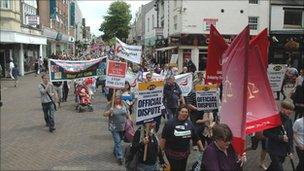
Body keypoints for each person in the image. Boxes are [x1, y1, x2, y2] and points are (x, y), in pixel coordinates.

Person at [160, 105, 204, 171]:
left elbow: (196, 137)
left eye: (186, 112)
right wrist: (160, 153)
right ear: (178, 112)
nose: (184, 113)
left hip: (185, 154)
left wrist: (202, 149)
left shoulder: (189, 123)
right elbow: (163, 139)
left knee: (182, 168)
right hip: (172, 154)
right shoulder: (170, 123)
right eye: (182, 111)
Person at [263, 101, 294, 171]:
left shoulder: (289, 120)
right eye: (288, 109)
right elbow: (265, 132)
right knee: (279, 168)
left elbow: (290, 136)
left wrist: (291, 150)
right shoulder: (274, 119)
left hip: (283, 149)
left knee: (274, 166)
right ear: (282, 108)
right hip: (274, 149)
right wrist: (280, 137)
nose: (290, 111)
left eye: (291, 110)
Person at [103, 92, 131, 165]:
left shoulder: (124, 104)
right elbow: (104, 114)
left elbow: (127, 113)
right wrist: (109, 111)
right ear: (113, 98)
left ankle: (115, 150)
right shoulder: (110, 105)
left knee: (119, 141)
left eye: (119, 98)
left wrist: (130, 120)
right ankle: (120, 157)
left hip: (123, 127)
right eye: (116, 98)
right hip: (114, 127)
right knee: (118, 141)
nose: (117, 99)